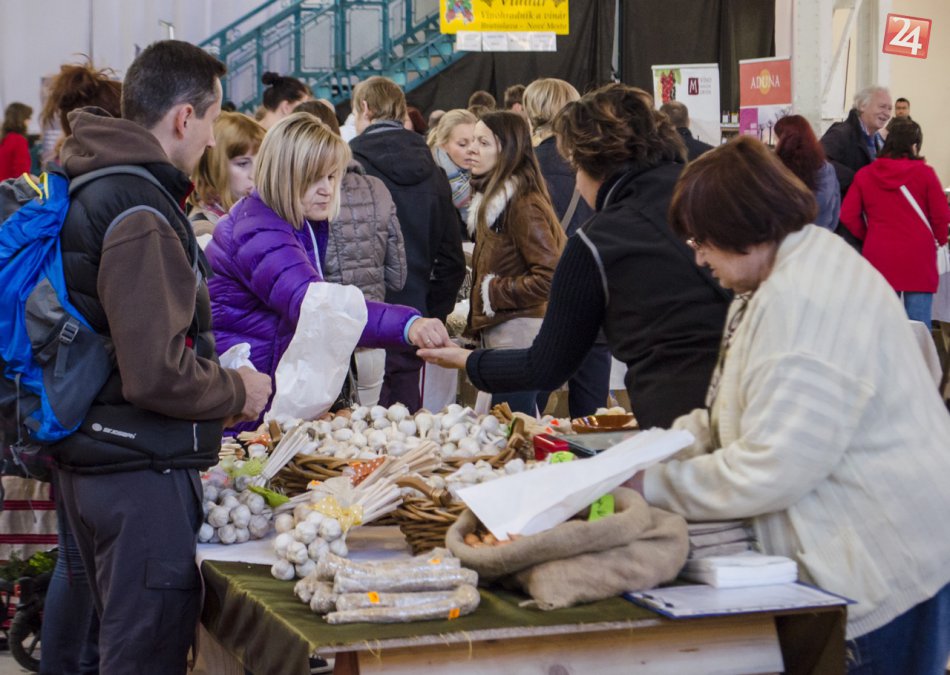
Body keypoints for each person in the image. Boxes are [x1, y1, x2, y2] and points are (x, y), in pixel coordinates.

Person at [639, 135, 950, 674]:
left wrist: (649, 484)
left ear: (739, 227)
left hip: (882, 566)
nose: (699, 257)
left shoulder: (802, 300)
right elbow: (732, 413)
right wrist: (653, 450)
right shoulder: (783, 273)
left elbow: (771, 467)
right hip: (870, 548)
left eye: (701, 241)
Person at [54, 40, 272, 674]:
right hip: (137, 470)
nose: (209, 139)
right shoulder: (139, 208)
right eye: (211, 120)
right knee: (143, 655)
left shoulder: (96, 180)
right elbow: (154, 372)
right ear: (184, 117)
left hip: (99, 454)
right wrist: (238, 390)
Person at [420, 84, 730, 428]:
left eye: (574, 166)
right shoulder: (709, 195)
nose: (577, 184)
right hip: (746, 396)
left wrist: (465, 359)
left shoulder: (597, 241)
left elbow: (546, 364)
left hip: (676, 418)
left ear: (593, 162)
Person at [206, 112, 446, 422]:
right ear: (284, 174)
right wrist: (407, 324)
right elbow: (315, 304)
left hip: (258, 393)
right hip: (247, 404)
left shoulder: (287, 222)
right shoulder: (259, 230)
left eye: (332, 177)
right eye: (313, 178)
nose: (327, 189)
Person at [36, 59, 122, 675]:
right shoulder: (92, 192)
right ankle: (70, 664)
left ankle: (67, 662)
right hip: (78, 389)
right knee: (78, 558)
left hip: (50, 385)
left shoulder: (55, 183)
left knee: (75, 553)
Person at [349, 76, 465, 411]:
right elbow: (452, 260)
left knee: (354, 428)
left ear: (365, 108)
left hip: (359, 319)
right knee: (406, 421)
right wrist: (429, 313)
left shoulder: (348, 166)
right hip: (413, 317)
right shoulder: (434, 169)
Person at [295, 100, 409, 407]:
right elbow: (398, 275)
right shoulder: (376, 188)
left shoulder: (298, 206)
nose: (325, 189)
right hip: (372, 338)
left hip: (323, 345)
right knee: (366, 423)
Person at [465, 111, 565, 414]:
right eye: (472, 141)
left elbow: (550, 276)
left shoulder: (522, 203)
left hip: (519, 338)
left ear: (508, 150)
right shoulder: (497, 202)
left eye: (483, 143)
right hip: (505, 334)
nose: (472, 149)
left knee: (512, 428)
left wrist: (493, 291)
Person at [523, 77, 608, 417]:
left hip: (541, 300)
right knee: (593, 416)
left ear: (530, 111)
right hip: (593, 294)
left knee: (527, 412)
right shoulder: (595, 165)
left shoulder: (523, 167)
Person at [839, 118, 949, 325]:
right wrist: (940, 239)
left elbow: (847, 215)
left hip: (879, 254)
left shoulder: (865, 175)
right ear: (914, 145)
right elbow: (941, 215)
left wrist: (868, 235)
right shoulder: (925, 174)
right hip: (919, 256)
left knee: (882, 327)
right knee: (918, 329)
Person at [188, 111, 265, 237]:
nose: (257, 174)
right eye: (243, 163)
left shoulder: (252, 209)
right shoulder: (204, 232)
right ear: (214, 167)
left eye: (263, 161)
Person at [820, 85, 892, 201]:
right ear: (863, 106)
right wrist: (858, 180)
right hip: (843, 208)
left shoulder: (878, 141)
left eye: (889, 109)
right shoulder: (841, 133)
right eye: (882, 106)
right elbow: (818, 161)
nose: (887, 113)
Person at [773, 114, 840, 230]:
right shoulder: (828, 170)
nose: (774, 145)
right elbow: (835, 213)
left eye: (776, 140)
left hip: (788, 239)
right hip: (822, 236)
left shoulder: (779, 174)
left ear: (785, 143)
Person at [427, 108, 477, 227]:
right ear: (443, 145)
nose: (472, 149)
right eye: (462, 144)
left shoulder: (480, 170)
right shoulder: (431, 179)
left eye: (475, 141)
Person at [0, 102, 33, 180]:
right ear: (21, 120)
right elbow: (22, 173)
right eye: (28, 117)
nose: (30, 121)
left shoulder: (4, 139)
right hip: (10, 186)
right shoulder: (19, 140)